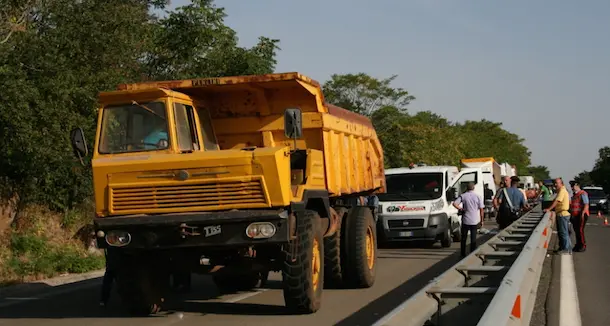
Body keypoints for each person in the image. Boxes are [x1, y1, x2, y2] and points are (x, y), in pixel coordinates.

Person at [452, 182, 484, 257]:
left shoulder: (463, 196)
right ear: (474, 188)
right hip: (474, 220)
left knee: (464, 238)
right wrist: (482, 220)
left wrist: (461, 209)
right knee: (473, 238)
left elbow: (454, 203)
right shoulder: (478, 196)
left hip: (466, 220)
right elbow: (481, 209)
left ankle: (463, 253)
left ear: (467, 188)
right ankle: (472, 253)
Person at [543, 178, 572, 254]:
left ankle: (565, 249)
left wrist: (549, 209)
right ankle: (565, 248)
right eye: (554, 183)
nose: (555, 185)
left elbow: (557, 201)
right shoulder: (561, 191)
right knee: (563, 232)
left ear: (561, 183)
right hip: (561, 213)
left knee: (563, 232)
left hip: (563, 214)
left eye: (557, 183)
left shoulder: (562, 191)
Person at [569, 182, 589, 252]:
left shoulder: (582, 193)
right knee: (576, 231)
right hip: (575, 215)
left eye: (573, 186)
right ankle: (578, 245)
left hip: (581, 215)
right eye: (571, 186)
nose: (571, 188)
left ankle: (583, 245)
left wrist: (583, 213)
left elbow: (586, 204)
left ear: (577, 185)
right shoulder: (574, 195)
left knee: (580, 231)